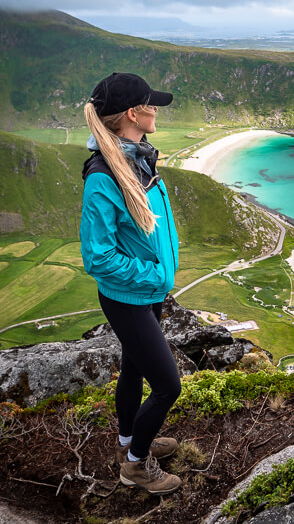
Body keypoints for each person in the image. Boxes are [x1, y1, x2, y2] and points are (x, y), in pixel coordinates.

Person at [80, 72, 182, 494]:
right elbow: (97, 255)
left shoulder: (136, 158)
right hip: (129, 297)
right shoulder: (105, 175)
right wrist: (155, 274)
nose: (156, 109)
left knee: (134, 371)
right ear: (131, 114)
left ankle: (128, 443)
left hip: (145, 292)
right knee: (167, 386)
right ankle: (136, 466)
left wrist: (157, 277)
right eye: (150, 104)